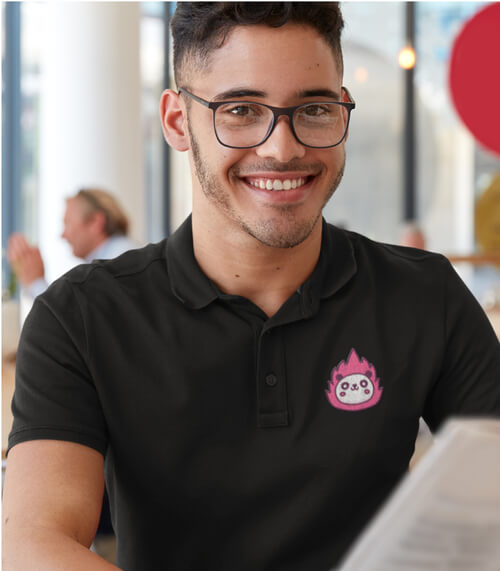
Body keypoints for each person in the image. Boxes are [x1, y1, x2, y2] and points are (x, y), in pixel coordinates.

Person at [3, 3, 500, 570]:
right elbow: (34, 546)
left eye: (313, 108)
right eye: (240, 109)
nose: (282, 148)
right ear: (175, 121)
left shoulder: (426, 296)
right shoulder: (82, 316)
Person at [7, 188, 137, 299]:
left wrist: (35, 283)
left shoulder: (119, 261)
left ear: (96, 222)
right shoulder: (116, 258)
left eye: (67, 223)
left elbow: (79, 323)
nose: (63, 235)